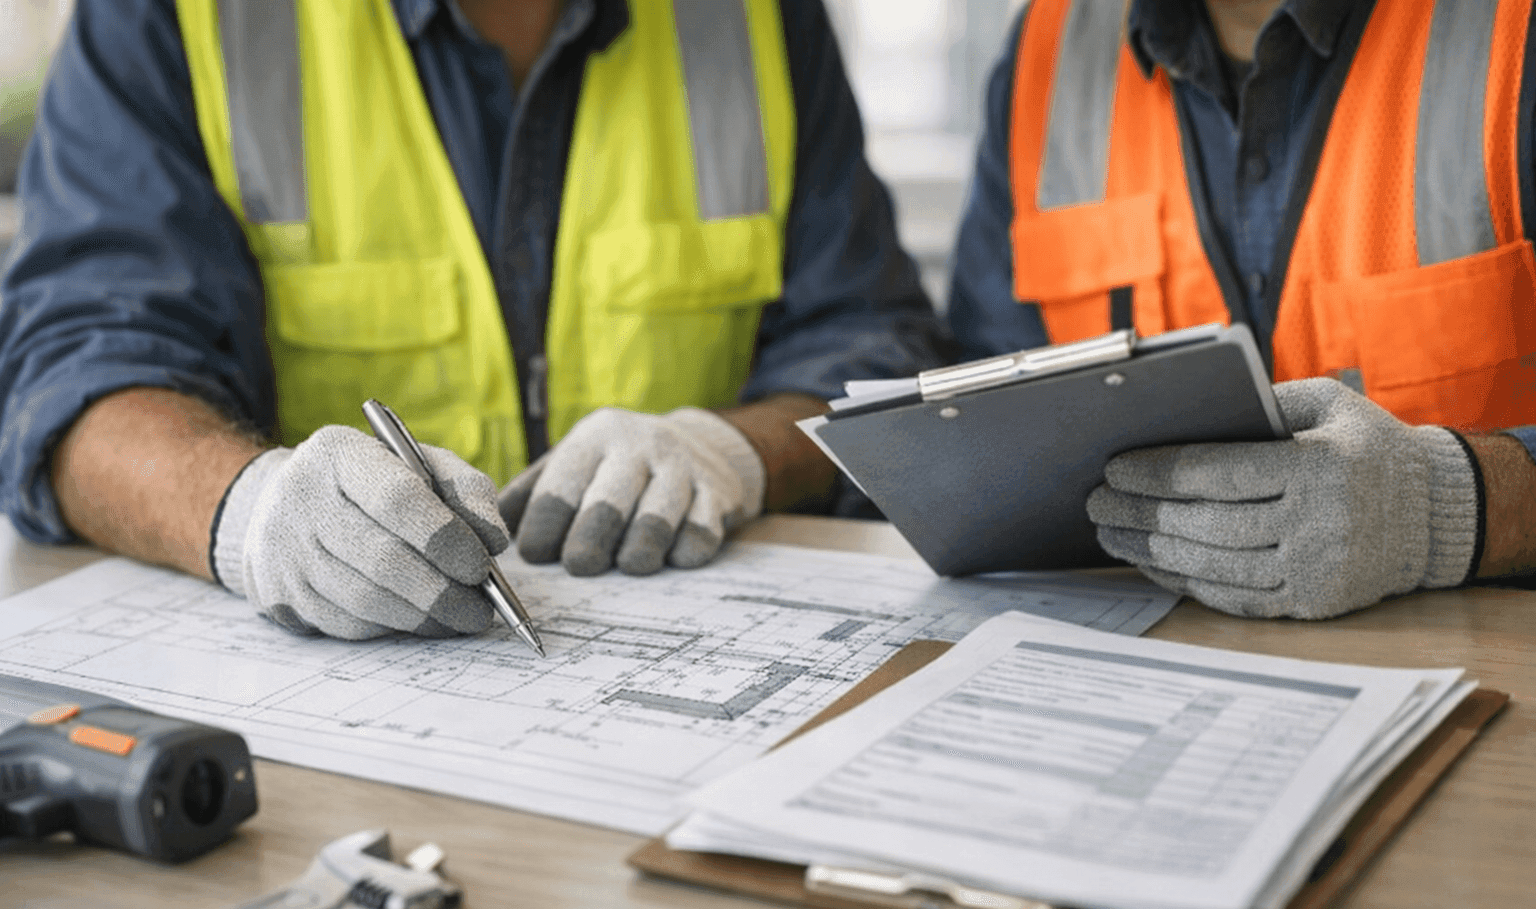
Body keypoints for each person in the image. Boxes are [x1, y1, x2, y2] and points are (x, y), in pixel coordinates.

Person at [0, 0, 948, 640]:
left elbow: (873, 347)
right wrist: (251, 511)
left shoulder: (751, 16)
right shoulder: (180, 16)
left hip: (671, 685)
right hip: (331, 723)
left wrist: (731, 453)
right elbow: (74, 380)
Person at [949, 0, 1536, 619]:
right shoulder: (1056, 41)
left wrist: (1451, 507)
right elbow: (980, 409)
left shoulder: (1512, 31)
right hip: (1151, 660)